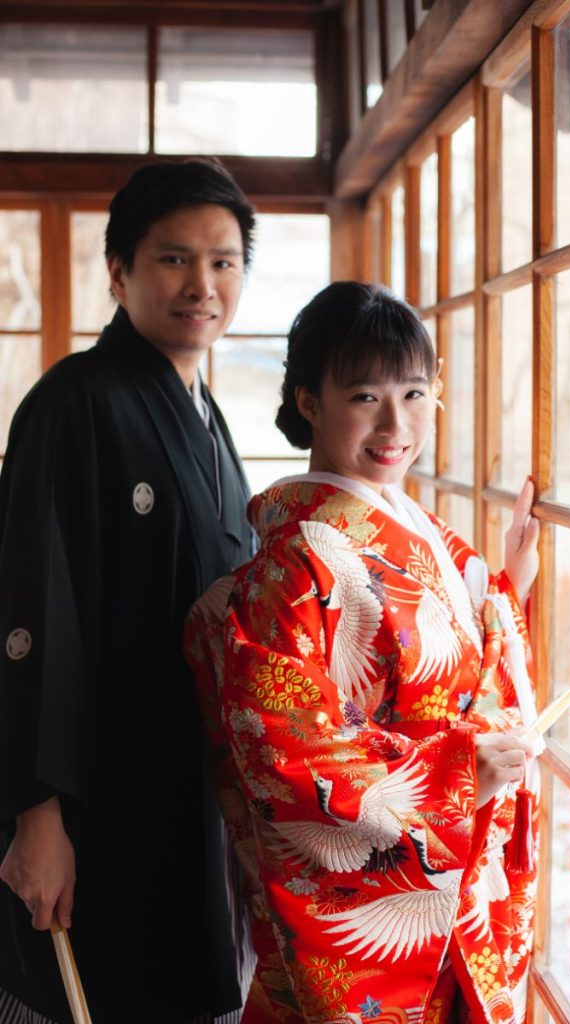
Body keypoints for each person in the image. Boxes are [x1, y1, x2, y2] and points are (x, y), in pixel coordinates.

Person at [184, 281, 541, 1024]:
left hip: (456, 875)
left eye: (414, 394)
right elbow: (285, 753)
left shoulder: (417, 529)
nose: (394, 425)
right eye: (364, 397)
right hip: (396, 886)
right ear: (308, 401)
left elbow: (462, 659)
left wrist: (506, 587)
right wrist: (452, 777)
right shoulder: (295, 566)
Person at [0, 159, 257, 1024]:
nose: (202, 284)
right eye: (173, 259)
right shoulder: (73, 403)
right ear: (118, 272)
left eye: (223, 262)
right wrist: (35, 814)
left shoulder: (209, 419)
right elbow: (30, 610)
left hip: (185, 792)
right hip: (94, 796)